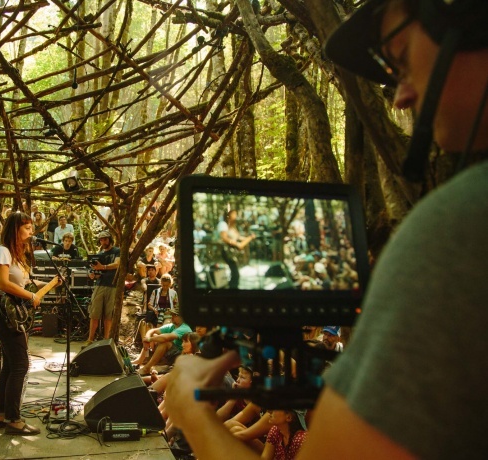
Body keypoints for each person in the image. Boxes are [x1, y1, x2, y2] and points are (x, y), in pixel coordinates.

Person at [165, 0, 488, 458]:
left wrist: (193, 412)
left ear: (472, 23)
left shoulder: (460, 226)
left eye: (401, 59)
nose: (400, 97)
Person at [0, 211, 61, 436]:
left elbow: (25, 283)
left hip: (12, 313)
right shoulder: (2, 252)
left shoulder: (16, 256)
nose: (31, 232)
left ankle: (1, 415)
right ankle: (14, 420)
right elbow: (3, 283)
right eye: (27, 228)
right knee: (20, 365)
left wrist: (50, 283)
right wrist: (31, 296)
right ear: (15, 229)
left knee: (11, 365)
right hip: (4, 313)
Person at [133, 305, 192, 376]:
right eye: (172, 314)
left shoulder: (184, 328)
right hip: (171, 353)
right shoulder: (172, 326)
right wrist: (148, 338)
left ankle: (147, 368)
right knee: (154, 336)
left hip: (180, 355)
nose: (172, 316)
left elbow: (165, 338)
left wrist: (149, 339)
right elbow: (152, 330)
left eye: (175, 315)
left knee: (164, 342)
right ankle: (140, 360)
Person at [85, 230, 120, 345]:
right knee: (94, 313)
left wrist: (103, 267)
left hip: (113, 285)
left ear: (110, 240)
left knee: (108, 315)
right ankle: (90, 339)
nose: (103, 242)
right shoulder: (99, 254)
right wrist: (92, 273)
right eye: (101, 240)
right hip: (100, 285)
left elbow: (117, 264)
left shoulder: (117, 251)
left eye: (105, 239)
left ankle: (106, 341)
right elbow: (94, 269)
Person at [218, 209, 255, 289]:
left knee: (235, 273)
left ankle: (232, 287)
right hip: (227, 252)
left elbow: (238, 237)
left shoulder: (232, 226)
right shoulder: (223, 224)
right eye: (234, 214)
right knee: (235, 273)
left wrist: (249, 237)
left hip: (232, 252)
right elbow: (224, 238)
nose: (236, 216)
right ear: (228, 215)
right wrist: (236, 243)